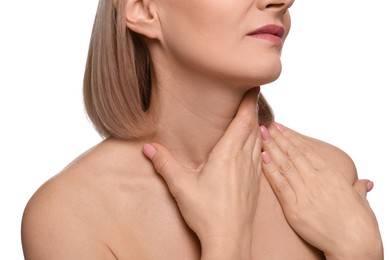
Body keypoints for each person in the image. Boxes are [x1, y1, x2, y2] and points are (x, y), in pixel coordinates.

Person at [21, 0, 383, 259]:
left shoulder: (328, 175)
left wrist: (362, 253)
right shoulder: (70, 216)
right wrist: (226, 242)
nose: (281, 1)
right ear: (144, 9)